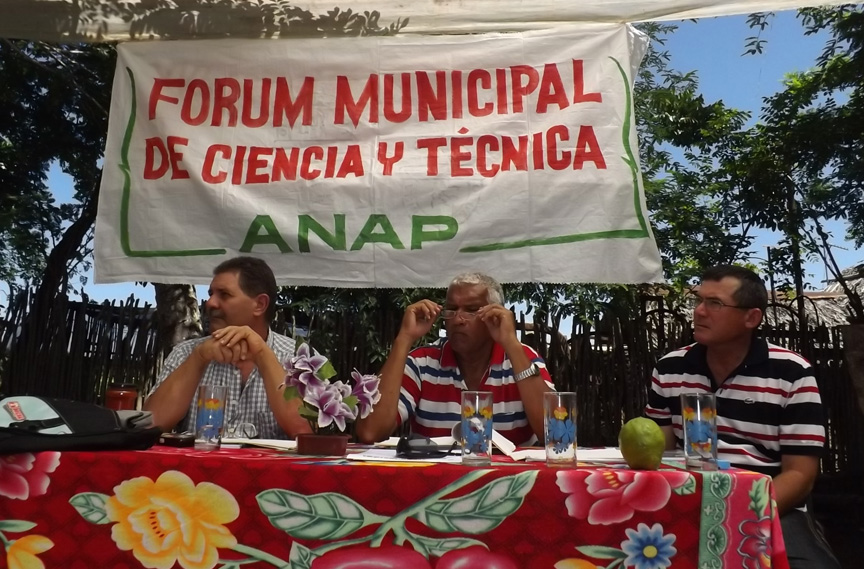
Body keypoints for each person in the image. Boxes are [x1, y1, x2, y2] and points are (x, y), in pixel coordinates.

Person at [645, 265, 840, 569]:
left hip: (771, 504)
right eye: (699, 300)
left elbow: (800, 475)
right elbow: (660, 454)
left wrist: (737, 511)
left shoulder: (790, 372)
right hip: (686, 502)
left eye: (715, 303)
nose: (699, 311)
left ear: (751, 318)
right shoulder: (671, 368)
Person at [355, 272, 554, 446]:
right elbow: (370, 432)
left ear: (496, 316)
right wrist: (404, 339)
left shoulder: (523, 358)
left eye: (471, 310)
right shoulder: (422, 363)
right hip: (434, 484)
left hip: (511, 484)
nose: (458, 319)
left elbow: (555, 435)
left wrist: (511, 344)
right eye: (451, 309)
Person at [144, 256, 310, 439]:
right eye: (210, 294)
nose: (211, 303)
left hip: (274, 469)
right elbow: (149, 426)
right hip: (196, 468)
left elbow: (305, 434)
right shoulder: (186, 353)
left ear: (260, 305)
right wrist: (198, 358)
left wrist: (262, 354)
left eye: (224, 294)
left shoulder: (301, 359)